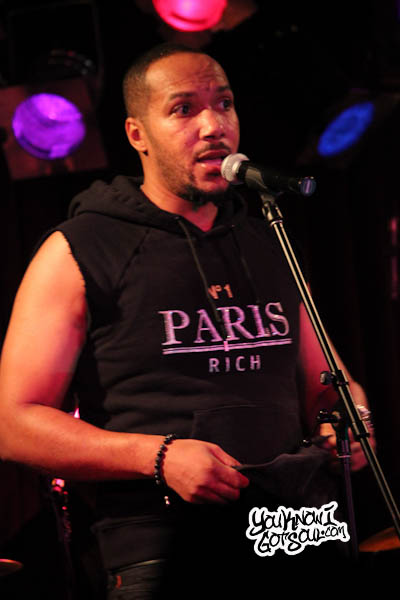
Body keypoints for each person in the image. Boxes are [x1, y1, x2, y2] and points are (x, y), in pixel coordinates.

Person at [0, 43, 372, 597]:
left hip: (291, 531)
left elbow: (329, 387)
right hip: (161, 544)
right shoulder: (81, 247)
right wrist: (159, 456)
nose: (214, 126)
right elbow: (14, 424)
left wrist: (350, 421)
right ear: (137, 135)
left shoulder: (267, 238)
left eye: (224, 104)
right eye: (183, 109)